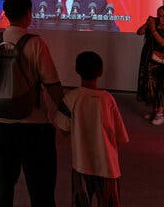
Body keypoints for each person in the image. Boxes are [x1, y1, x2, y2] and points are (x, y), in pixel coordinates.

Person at [0, 0, 64, 207]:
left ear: (6, 15)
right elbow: (51, 82)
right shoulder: (36, 43)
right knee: (41, 185)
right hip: (35, 123)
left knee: (3, 182)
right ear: (29, 14)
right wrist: (64, 111)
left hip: (3, 122)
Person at [54, 51, 129, 207]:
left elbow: (62, 129)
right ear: (101, 72)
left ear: (76, 70)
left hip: (81, 164)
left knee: (80, 201)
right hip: (108, 166)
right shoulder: (108, 99)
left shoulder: (71, 98)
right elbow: (121, 136)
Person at [136, 5, 164, 125]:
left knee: (160, 86)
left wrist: (153, 29)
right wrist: (147, 23)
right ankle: (154, 111)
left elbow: (163, 43)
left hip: (161, 61)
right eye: (159, 15)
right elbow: (139, 32)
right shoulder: (153, 25)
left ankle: (160, 114)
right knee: (149, 84)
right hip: (147, 58)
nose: (161, 18)